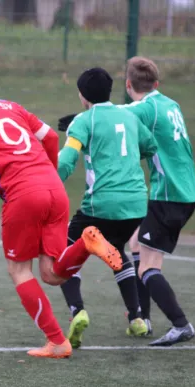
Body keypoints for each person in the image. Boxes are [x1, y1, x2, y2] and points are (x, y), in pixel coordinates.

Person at [0, 59, 123, 359]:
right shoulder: (11, 106)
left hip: (24, 195)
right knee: (52, 273)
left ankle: (57, 341)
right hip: (54, 188)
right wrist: (46, 170)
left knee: (18, 270)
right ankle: (84, 243)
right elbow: (52, 137)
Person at [56, 67, 158, 349]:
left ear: (82, 95)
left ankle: (77, 311)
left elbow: (66, 161)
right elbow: (149, 147)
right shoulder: (129, 116)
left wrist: (50, 184)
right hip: (136, 204)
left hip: (100, 205)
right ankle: (136, 318)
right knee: (114, 249)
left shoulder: (82, 121)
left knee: (63, 253)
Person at [122, 56, 195, 346]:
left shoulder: (146, 108)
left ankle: (181, 325)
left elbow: (117, 115)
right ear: (157, 83)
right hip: (184, 192)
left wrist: (83, 121)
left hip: (169, 195)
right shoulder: (170, 104)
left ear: (129, 85)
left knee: (147, 268)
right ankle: (144, 319)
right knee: (136, 243)